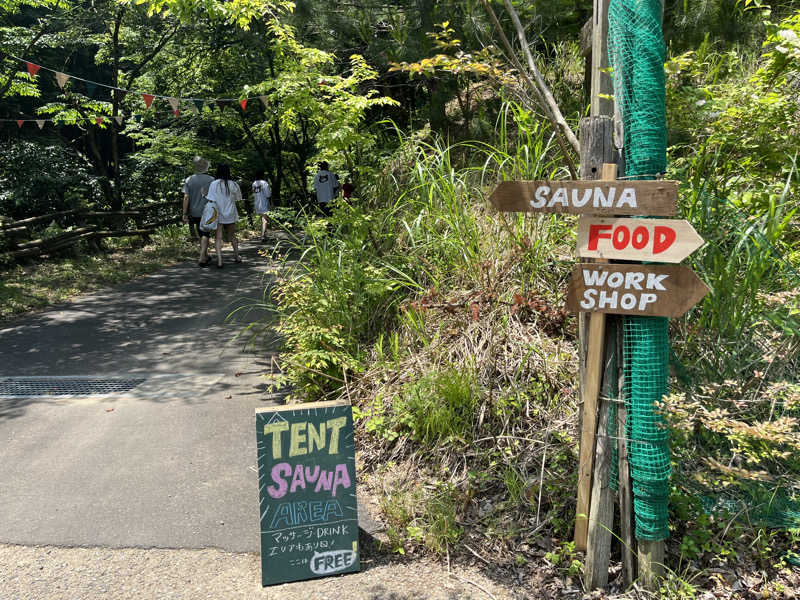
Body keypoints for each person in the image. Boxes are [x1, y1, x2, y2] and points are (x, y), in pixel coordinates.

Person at [206, 163, 242, 268]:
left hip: (218, 213)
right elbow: (237, 199)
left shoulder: (214, 184)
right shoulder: (234, 184)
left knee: (218, 237)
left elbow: (210, 199)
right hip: (231, 212)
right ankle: (236, 256)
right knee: (232, 236)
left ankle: (220, 261)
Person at [181, 156, 215, 266]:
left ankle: (205, 255)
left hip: (193, 211)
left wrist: (184, 213)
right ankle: (202, 258)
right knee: (205, 234)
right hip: (207, 211)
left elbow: (186, 197)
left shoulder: (189, 179)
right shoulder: (211, 180)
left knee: (201, 234)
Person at [252, 171, 272, 242]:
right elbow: (268, 194)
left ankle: (264, 234)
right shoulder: (264, 183)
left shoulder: (254, 183)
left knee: (263, 219)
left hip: (257, 203)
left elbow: (254, 193)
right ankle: (263, 236)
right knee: (265, 220)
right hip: (263, 202)